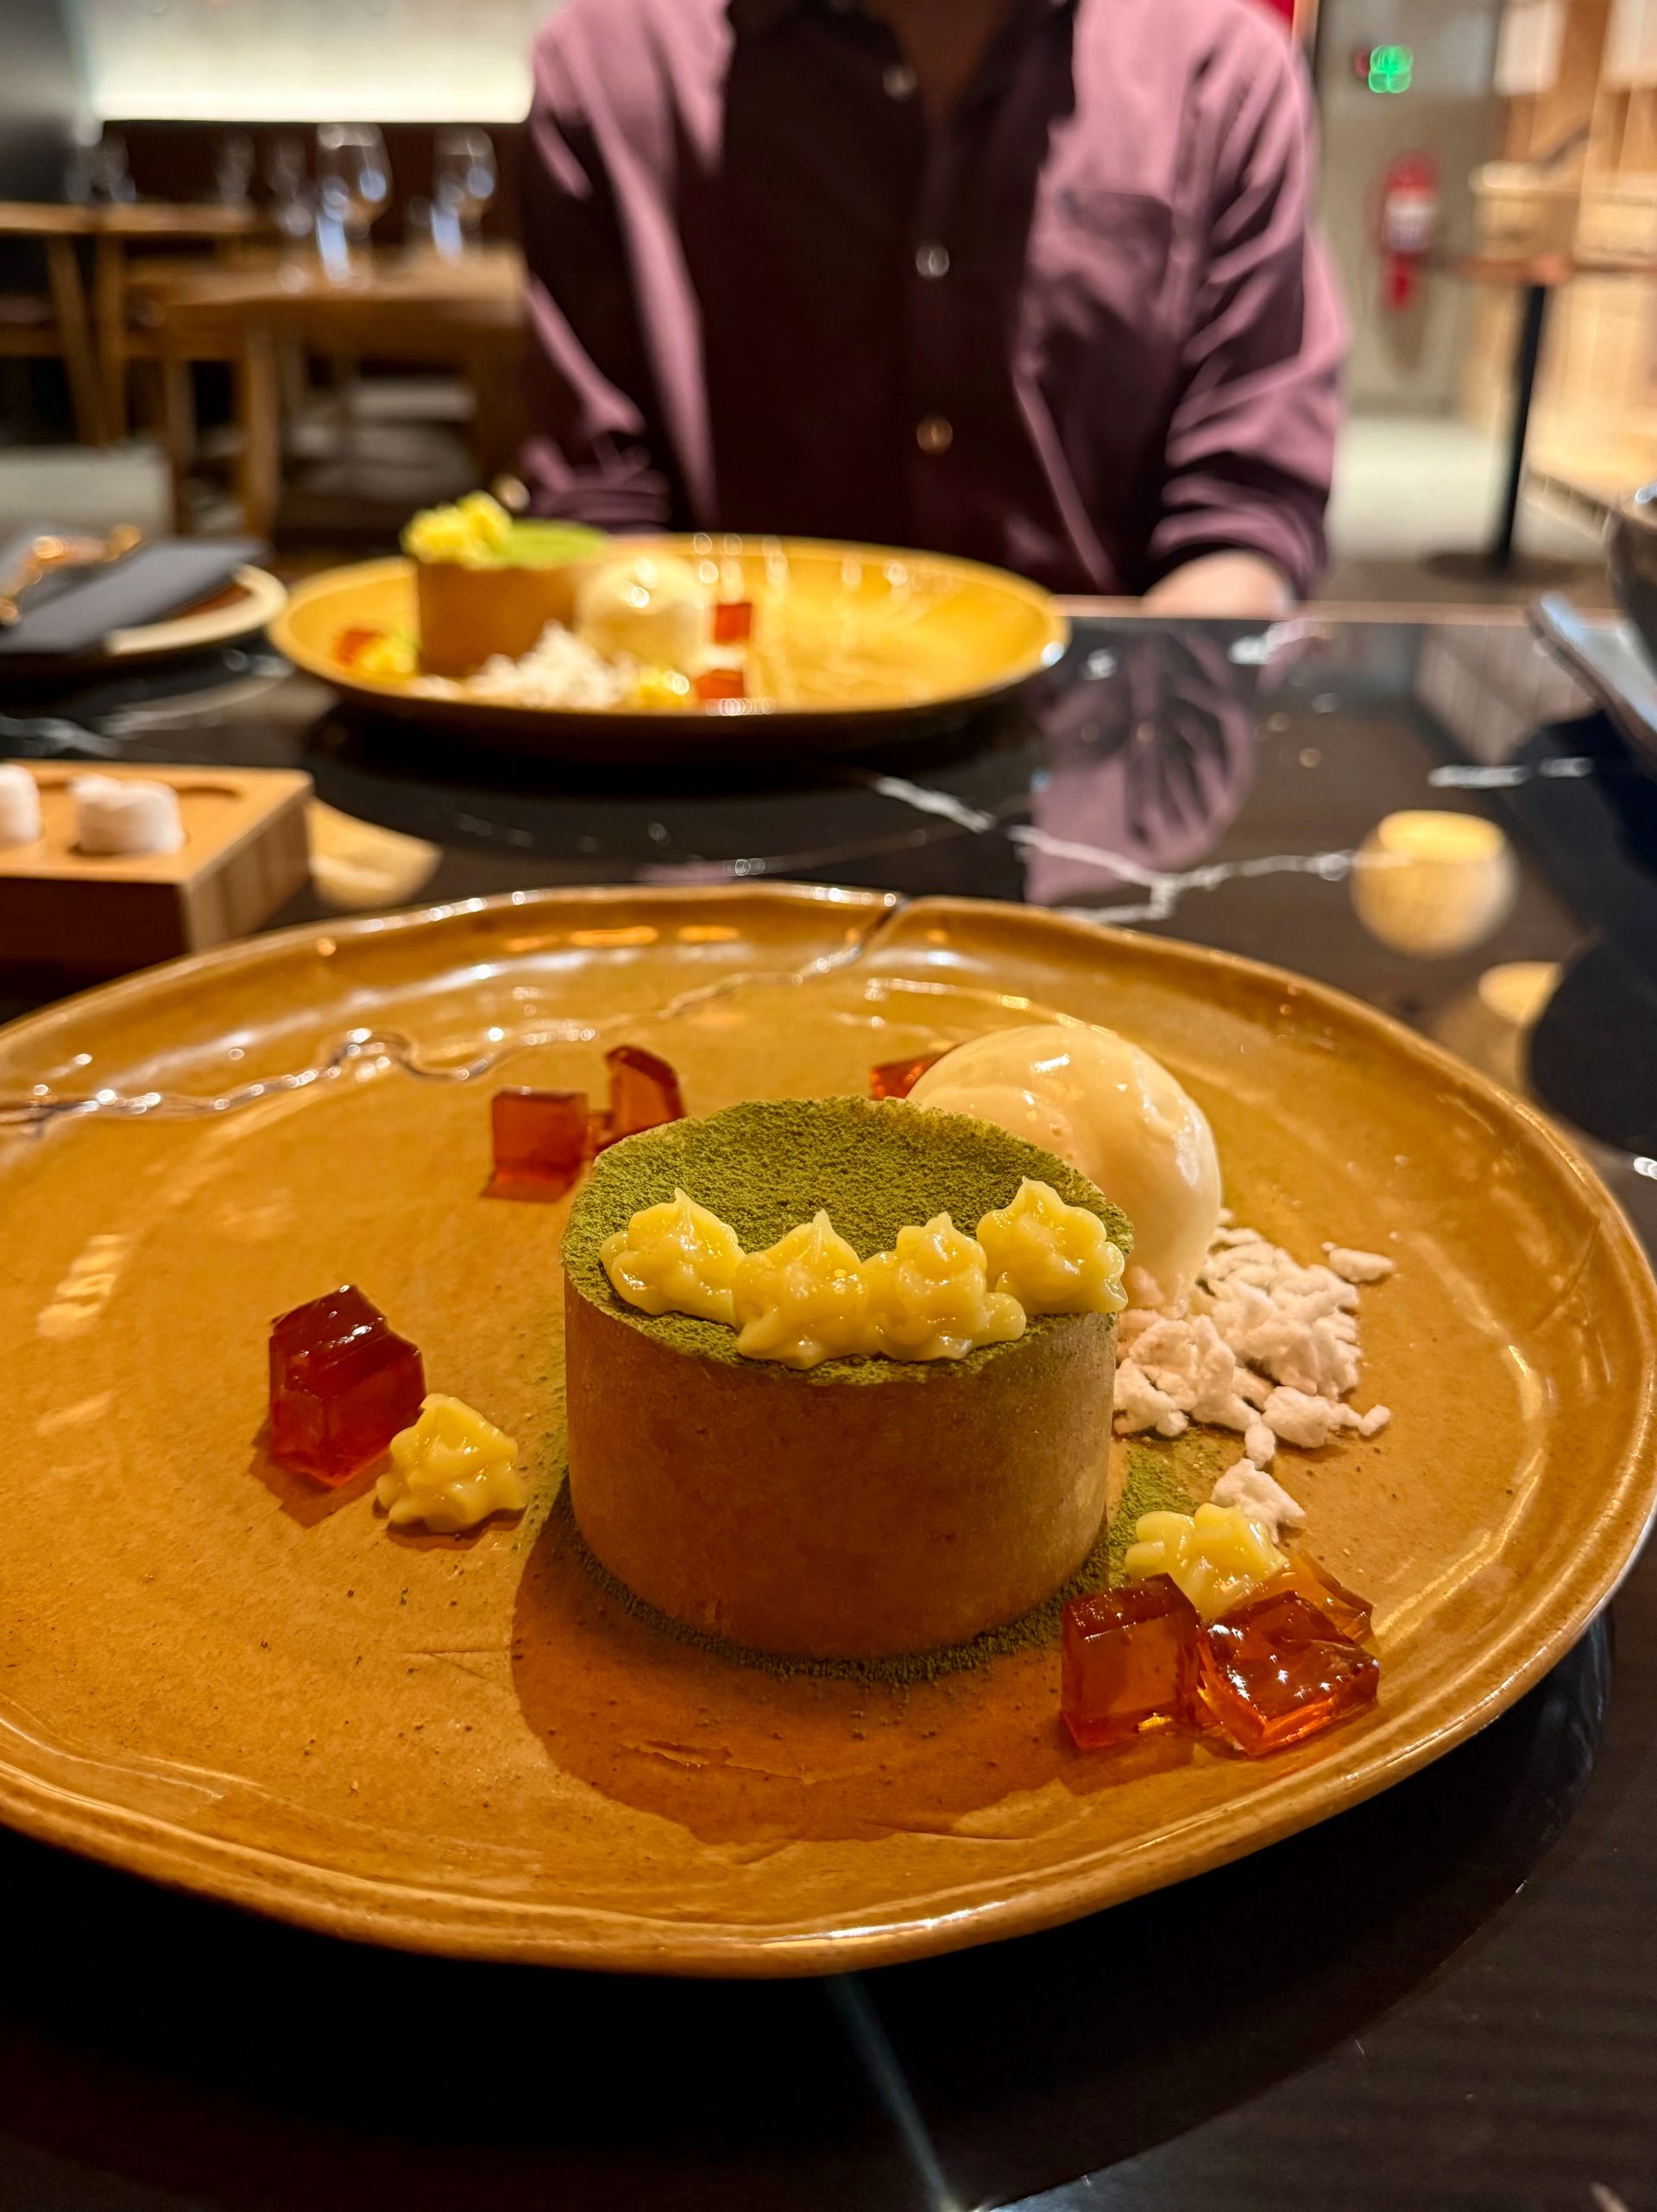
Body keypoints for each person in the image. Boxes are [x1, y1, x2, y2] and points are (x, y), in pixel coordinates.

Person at [519, 0, 1343, 617]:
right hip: (723, 751)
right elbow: (599, 500)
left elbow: (1246, 513)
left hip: (1089, 766)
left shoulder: (1223, 72)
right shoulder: (605, 68)